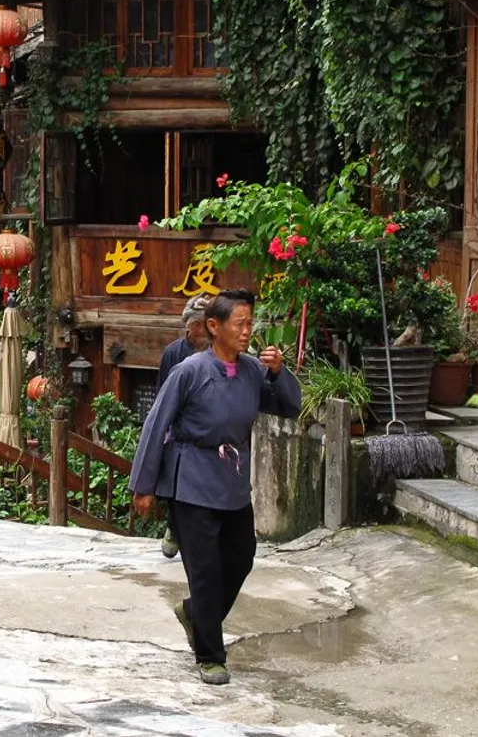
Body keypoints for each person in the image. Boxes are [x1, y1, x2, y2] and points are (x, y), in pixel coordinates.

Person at [131, 289, 301, 686]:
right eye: (240, 324)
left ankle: (195, 614)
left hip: (232, 481)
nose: (247, 332)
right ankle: (210, 655)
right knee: (205, 571)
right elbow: (157, 425)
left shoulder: (252, 371)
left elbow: (289, 406)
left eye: (249, 324)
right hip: (191, 478)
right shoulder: (189, 371)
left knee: (240, 558)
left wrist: (279, 374)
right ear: (214, 327)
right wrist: (144, 486)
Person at [155, 293, 212, 559]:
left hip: (209, 432)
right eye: (201, 324)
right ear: (191, 326)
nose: (206, 329)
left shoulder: (218, 352)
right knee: (175, 487)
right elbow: (161, 397)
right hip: (178, 432)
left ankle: (197, 538)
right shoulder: (173, 353)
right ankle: (173, 527)